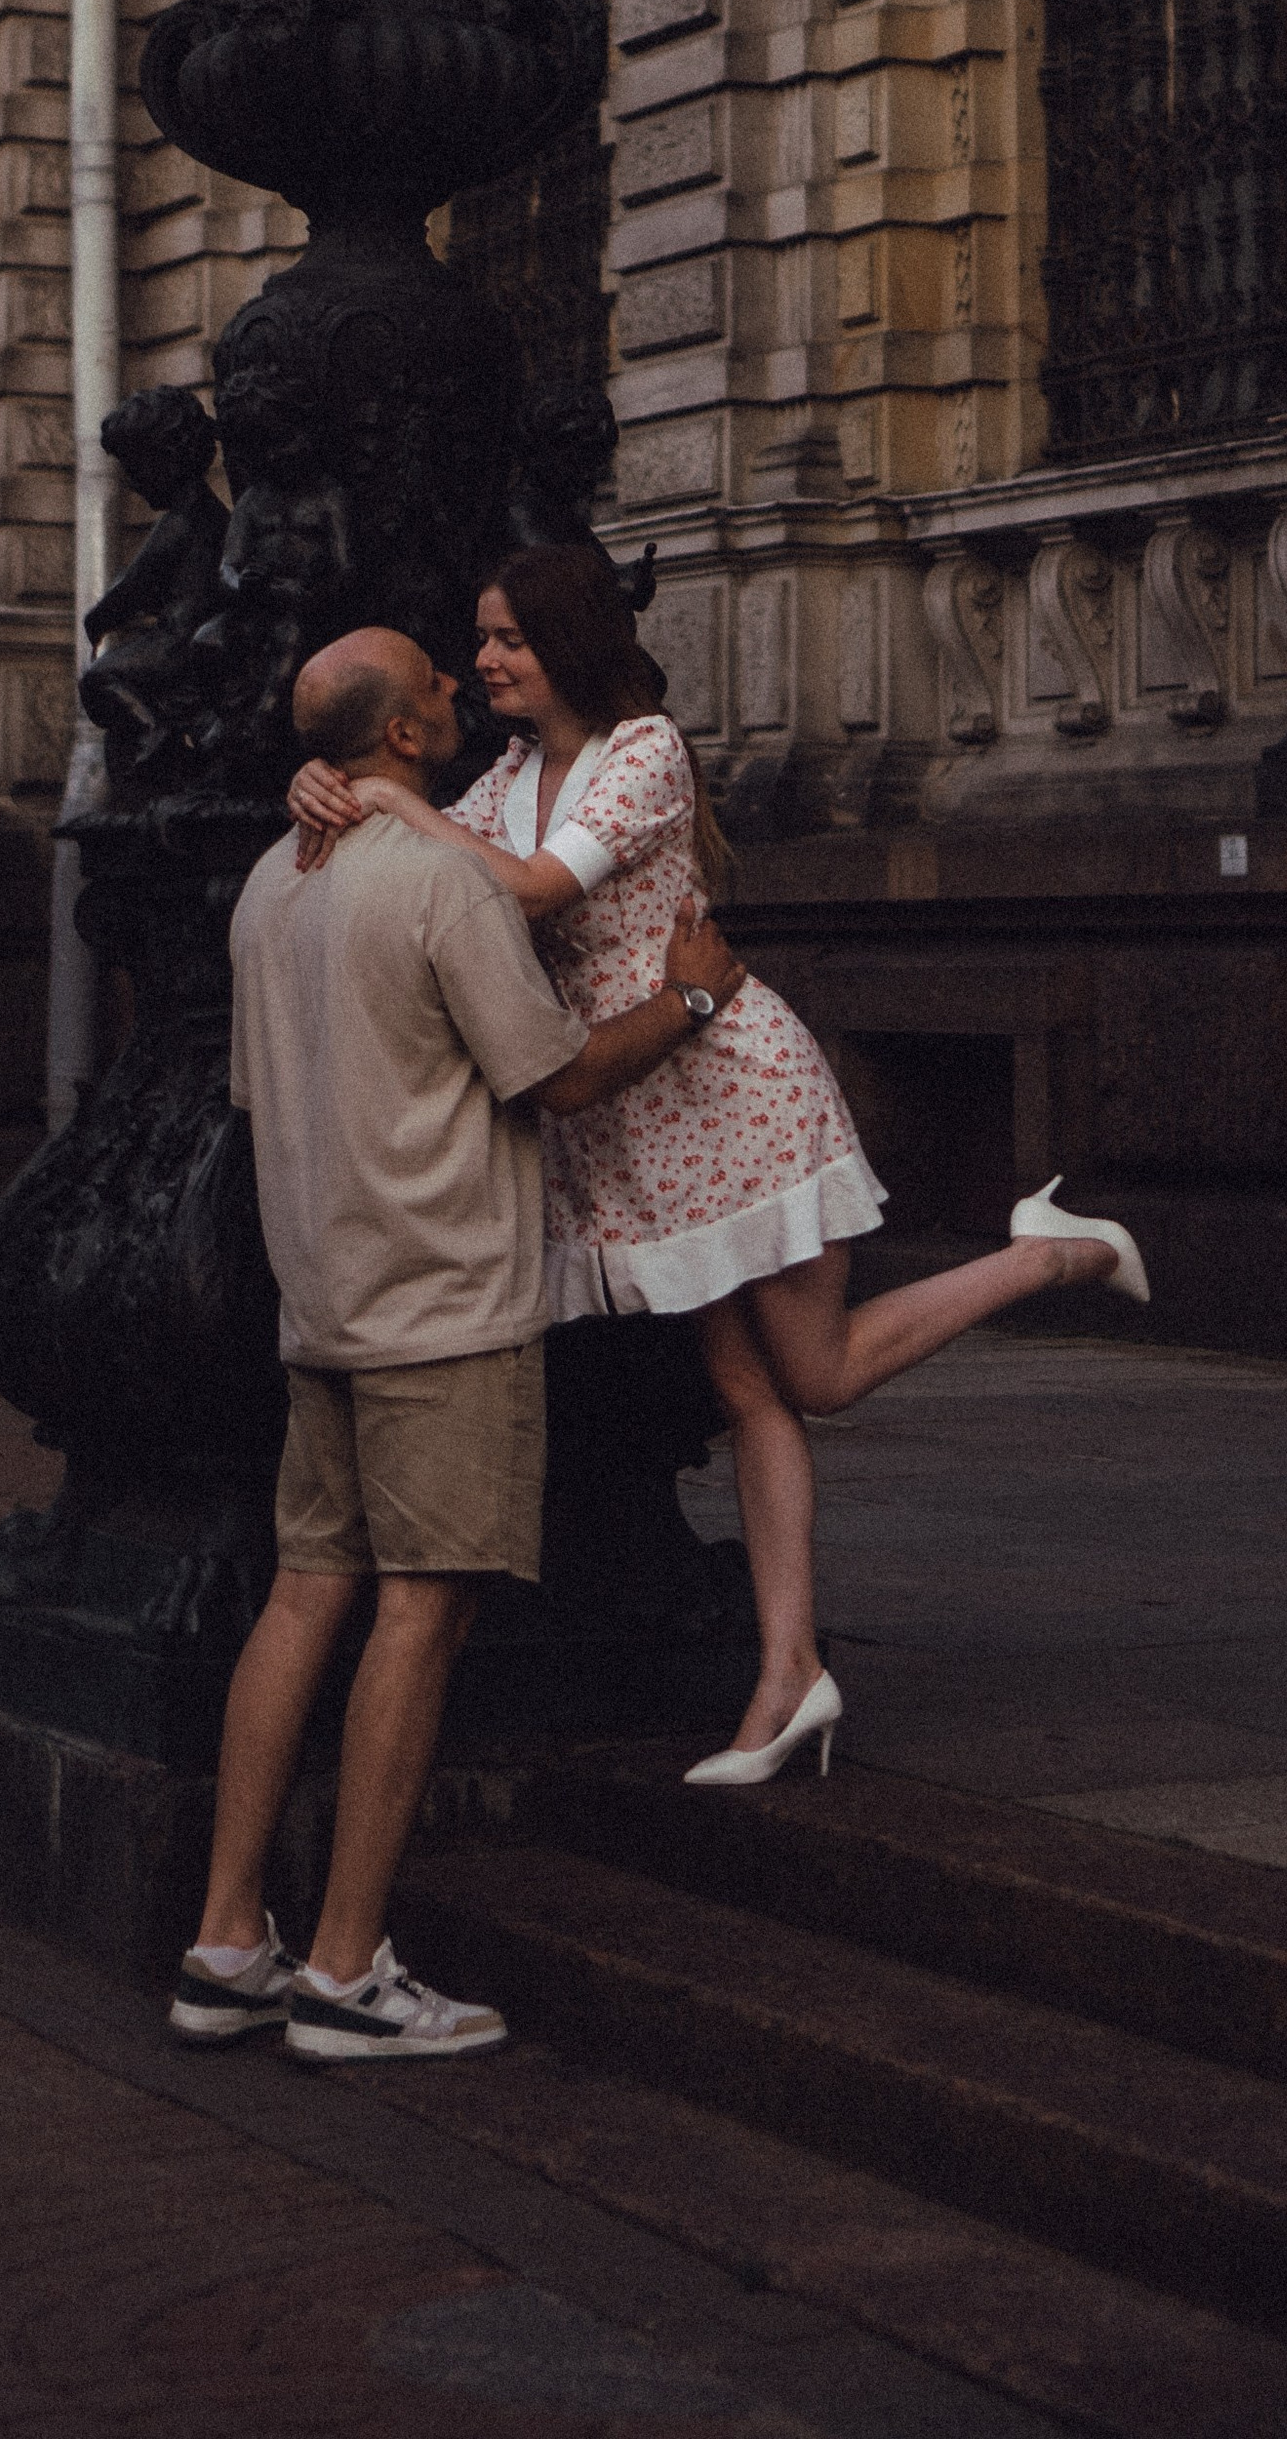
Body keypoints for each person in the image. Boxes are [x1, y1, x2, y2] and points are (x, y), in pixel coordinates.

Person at [288, 545, 1148, 1786]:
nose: (482, 663)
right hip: (635, 1119)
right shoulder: (513, 772)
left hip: (729, 1091)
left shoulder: (643, 753)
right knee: (751, 1395)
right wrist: (321, 781)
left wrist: (388, 803)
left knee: (817, 1372)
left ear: (566, 645)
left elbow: (525, 891)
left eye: (506, 641)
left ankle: (1050, 1254)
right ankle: (789, 1673)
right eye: (477, 641)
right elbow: (436, 864)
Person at [175, 622, 747, 2065]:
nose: (456, 690)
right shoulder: (437, 883)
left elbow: (257, 1097)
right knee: (421, 1615)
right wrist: (686, 998)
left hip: (325, 1301)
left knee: (305, 1598)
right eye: (440, 682)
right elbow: (552, 1077)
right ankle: (348, 1971)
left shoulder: (265, 886)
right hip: (444, 1304)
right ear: (412, 737)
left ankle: (225, 1941)